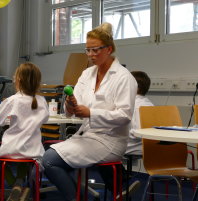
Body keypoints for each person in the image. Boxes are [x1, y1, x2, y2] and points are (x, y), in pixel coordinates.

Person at [42, 22, 137, 201]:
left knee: (49, 160)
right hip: (87, 136)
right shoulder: (87, 74)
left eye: (96, 50)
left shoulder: (124, 77)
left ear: (109, 49)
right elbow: (72, 108)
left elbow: (124, 116)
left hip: (111, 140)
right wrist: (70, 106)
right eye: (88, 50)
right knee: (45, 158)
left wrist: (91, 113)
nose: (91, 55)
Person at [0, 62, 49, 201]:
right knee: (25, 160)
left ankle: (16, 186)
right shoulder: (41, 100)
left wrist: (10, 118)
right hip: (33, 150)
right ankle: (21, 183)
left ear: (18, 80)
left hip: (12, 147)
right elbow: (45, 119)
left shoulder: (13, 100)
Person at [98, 70, 154, 200]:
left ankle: (120, 189)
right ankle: (123, 178)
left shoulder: (134, 105)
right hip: (147, 146)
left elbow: (139, 132)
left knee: (100, 151)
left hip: (135, 145)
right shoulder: (149, 104)